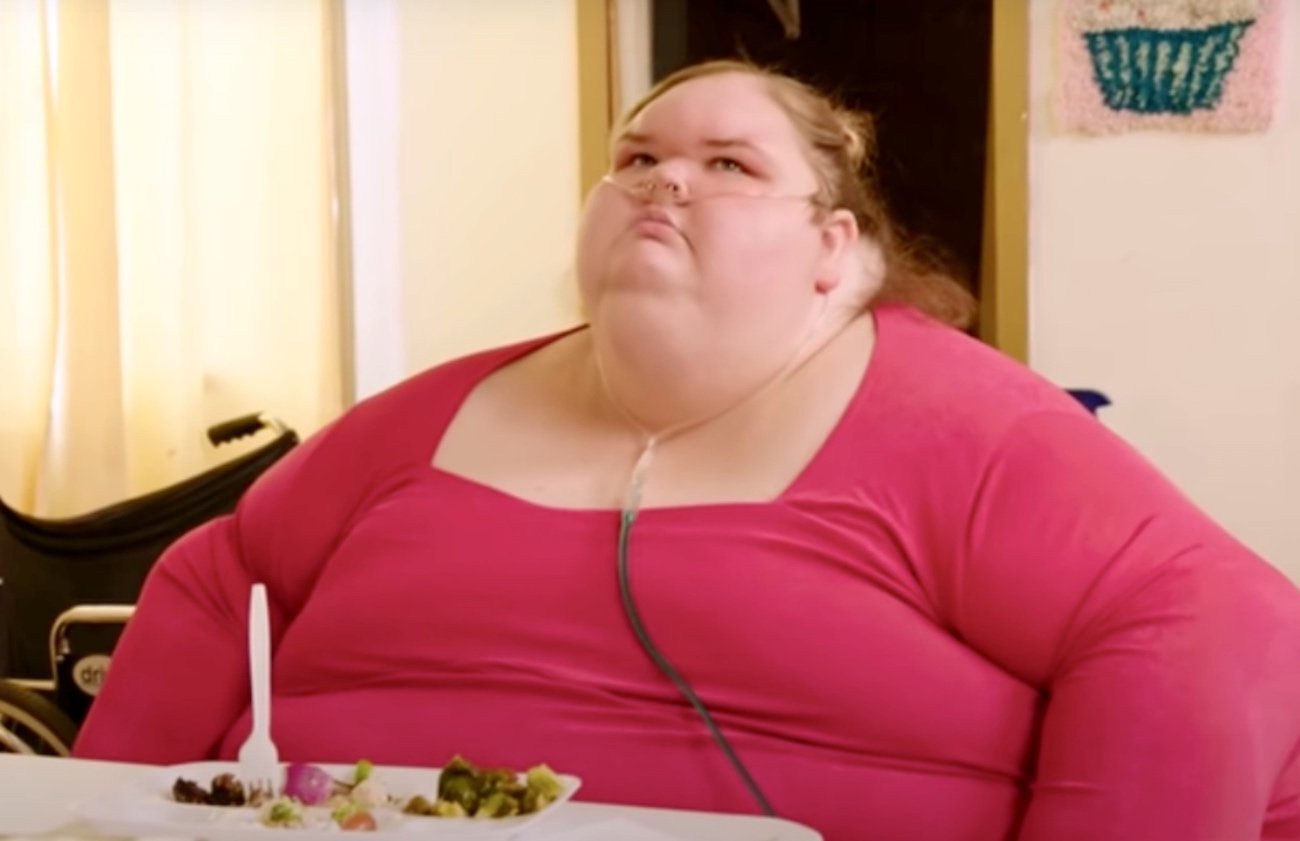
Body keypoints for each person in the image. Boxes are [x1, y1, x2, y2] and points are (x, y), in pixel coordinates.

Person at [75, 59, 1300, 841]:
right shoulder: (425, 420)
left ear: (833, 248)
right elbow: (212, 574)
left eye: (726, 165)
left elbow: (1216, 623)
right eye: (638, 160)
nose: (665, 184)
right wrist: (98, 816)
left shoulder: (958, 425)